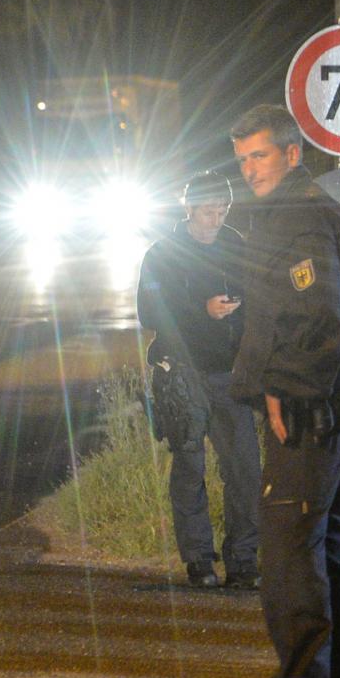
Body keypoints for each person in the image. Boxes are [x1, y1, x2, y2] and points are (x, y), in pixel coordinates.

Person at [222, 105, 340, 678]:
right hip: (333, 414)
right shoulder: (322, 207)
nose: (248, 170)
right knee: (333, 564)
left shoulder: (300, 214)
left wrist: (283, 386)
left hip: (306, 417)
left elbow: (318, 317)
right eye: (241, 159)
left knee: (289, 570)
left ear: (288, 153)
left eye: (257, 156)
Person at [134, 169, 260, 589]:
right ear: (189, 208)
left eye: (223, 209)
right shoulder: (163, 253)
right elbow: (150, 313)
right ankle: (199, 562)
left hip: (231, 374)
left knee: (244, 469)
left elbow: (258, 302)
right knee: (190, 469)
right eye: (209, 211)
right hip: (183, 375)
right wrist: (201, 311)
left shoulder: (236, 246)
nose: (217, 218)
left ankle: (242, 561)